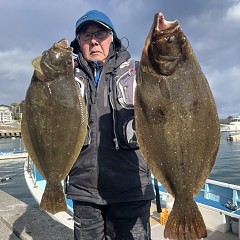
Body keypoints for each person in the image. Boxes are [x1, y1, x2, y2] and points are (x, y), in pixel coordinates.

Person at [67, 9, 155, 240]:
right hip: (84, 190)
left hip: (131, 189)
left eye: (100, 33)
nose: (94, 40)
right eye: (86, 36)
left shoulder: (140, 73)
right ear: (78, 43)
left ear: (112, 38)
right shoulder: (64, 79)